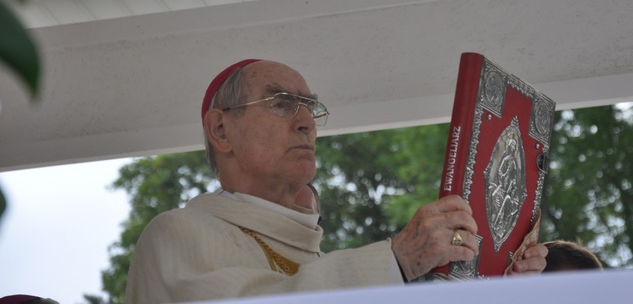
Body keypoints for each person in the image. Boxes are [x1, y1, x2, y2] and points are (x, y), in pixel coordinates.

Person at [125, 59, 547, 303]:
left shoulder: (323, 264)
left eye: (310, 108)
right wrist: (395, 261)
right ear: (221, 130)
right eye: (281, 103)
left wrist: (498, 291)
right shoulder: (178, 233)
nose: (307, 122)